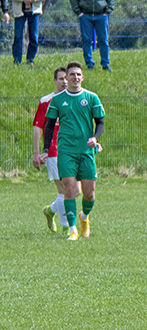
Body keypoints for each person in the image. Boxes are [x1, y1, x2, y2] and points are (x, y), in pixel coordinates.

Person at [40, 62, 105, 241]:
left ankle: (84, 217)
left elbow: (100, 122)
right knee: (69, 188)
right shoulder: (57, 100)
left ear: (82, 78)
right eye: (72, 75)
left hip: (86, 151)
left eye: (78, 75)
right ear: (66, 78)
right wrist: (46, 149)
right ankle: (72, 229)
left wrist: (95, 138)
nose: (75, 77)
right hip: (66, 151)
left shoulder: (91, 97)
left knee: (89, 194)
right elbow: (50, 126)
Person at [34, 67, 70, 233]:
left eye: (66, 78)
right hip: (53, 152)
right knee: (63, 189)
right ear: (54, 81)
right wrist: (37, 153)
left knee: (73, 190)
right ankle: (67, 227)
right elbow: (37, 127)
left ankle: (50, 211)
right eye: (61, 79)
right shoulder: (46, 101)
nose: (64, 82)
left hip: (71, 151)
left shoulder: (73, 100)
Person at [69, 0, 115, 71]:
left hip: (101, 15)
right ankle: (90, 64)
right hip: (85, 16)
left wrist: (107, 11)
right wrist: (78, 12)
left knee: (103, 40)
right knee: (86, 40)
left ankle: (105, 64)